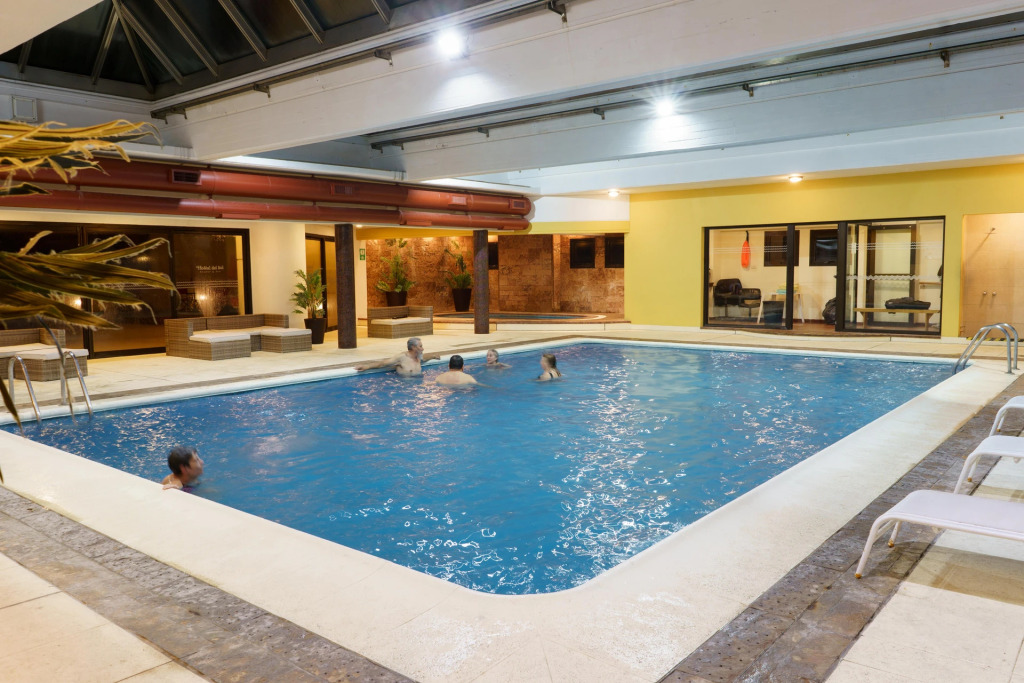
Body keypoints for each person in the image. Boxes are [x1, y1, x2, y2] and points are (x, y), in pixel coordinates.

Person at [355, 337, 441, 376]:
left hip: (417, 386)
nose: (423, 348)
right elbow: (383, 363)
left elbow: (424, 358)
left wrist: (433, 356)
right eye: (420, 346)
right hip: (405, 388)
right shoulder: (402, 358)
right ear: (413, 347)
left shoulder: (418, 357)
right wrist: (366, 366)